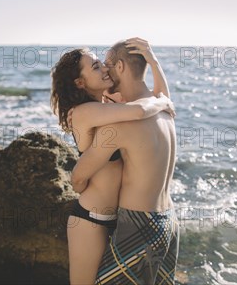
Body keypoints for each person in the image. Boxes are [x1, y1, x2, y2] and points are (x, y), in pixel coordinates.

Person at [50, 38, 172, 285]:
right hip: (91, 218)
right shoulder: (87, 112)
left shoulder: (104, 105)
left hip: (117, 218)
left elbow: (147, 107)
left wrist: (154, 68)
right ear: (80, 82)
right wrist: (162, 101)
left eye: (102, 64)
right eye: (96, 66)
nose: (104, 68)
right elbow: (141, 111)